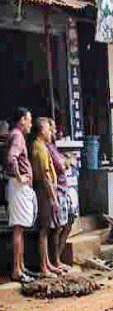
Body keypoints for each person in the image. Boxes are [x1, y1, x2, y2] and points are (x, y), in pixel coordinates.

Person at [5, 108, 37, 282]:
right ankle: (17, 270)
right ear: (23, 120)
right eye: (29, 120)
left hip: (19, 186)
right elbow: (12, 158)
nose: (31, 124)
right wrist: (19, 176)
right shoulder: (17, 136)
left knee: (21, 228)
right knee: (18, 229)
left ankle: (21, 267)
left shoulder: (16, 135)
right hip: (18, 186)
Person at [30, 117, 63, 278]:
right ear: (41, 130)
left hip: (46, 190)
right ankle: (44, 267)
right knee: (44, 230)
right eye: (48, 129)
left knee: (49, 228)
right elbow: (45, 176)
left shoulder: (42, 146)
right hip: (44, 191)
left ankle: (48, 263)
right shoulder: (39, 148)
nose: (51, 132)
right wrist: (53, 197)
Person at [46, 118, 76, 273]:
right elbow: (60, 165)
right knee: (58, 226)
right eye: (51, 129)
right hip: (57, 189)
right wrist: (67, 162)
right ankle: (55, 260)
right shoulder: (46, 148)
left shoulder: (53, 146)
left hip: (64, 188)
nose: (54, 131)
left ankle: (58, 258)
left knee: (68, 222)